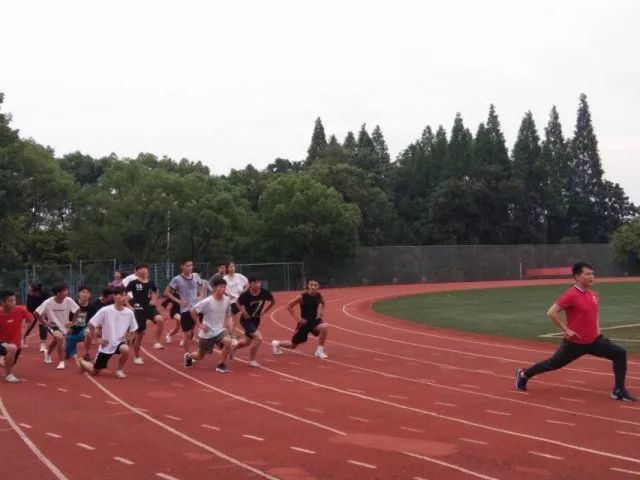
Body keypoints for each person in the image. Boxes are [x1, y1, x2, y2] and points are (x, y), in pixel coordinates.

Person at [516, 262, 636, 402]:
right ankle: (524, 374)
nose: (592, 277)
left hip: (594, 341)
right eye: (587, 274)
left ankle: (619, 390)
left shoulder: (593, 294)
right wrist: (565, 329)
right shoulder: (571, 295)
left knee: (620, 353)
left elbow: (594, 315)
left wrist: (598, 331)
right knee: (553, 364)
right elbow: (551, 312)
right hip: (575, 343)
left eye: (592, 274)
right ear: (577, 277)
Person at [78, 287, 137, 378]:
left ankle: (119, 370)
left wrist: (130, 337)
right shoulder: (105, 310)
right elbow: (91, 324)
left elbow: (133, 328)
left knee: (125, 349)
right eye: (121, 295)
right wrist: (97, 339)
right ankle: (82, 361)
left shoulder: (129, 312)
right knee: (94, 371)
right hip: (106, 343)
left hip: (120, 341)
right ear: (114, 296)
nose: (124, 297)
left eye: (125, 295)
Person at [184, 278, 234, 373]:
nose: (223, 289)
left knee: (228, 342)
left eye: (224, 287)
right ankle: (188, 356)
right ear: (214, 288)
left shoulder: (227, 300)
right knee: (200, 356)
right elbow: (192, 311)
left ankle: (221, 364)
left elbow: (227, 312)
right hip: (207, 332)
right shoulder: (207, 301)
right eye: (220, 287)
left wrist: (224, 324)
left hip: (220, 330)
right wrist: (199, 325)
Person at [272, 280, 328, 359]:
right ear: (308, 286)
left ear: (318, 286)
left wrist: (321, 312)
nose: (313, 287)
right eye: (311, 285)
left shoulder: (319, 296)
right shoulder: (302, 297)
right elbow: (289, 306)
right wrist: (298, 319)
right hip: (304, 323)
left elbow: (323, 303)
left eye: (315, 285)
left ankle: (319, 351)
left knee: (324, 327)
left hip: (315, 321)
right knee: (293, 345)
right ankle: (277, 344)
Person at [33, 283, 80, 370]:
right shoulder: (48, 302)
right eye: (64, 290)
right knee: (60, 338)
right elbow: (36, 313)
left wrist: (72, 322)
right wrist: (44, 322)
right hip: (53, 325)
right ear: (58, 293)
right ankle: (62, 362)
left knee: (56, 340)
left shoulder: (68, 300)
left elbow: (77, 310)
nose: (67, 292)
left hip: (64, 326)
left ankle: (47, 353)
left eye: (67, 290)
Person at [164, 259, 206, 355]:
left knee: (192, 331)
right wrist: (178, 301)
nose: (190, 267)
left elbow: (202, 284)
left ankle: (195, 352)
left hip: (196, 308)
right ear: (182, 266)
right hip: (185, 309)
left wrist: (201, 294)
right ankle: (187, 355)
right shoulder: (177, 279)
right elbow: (166, 292)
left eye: (191, 265)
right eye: (187, 266)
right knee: (187, 333)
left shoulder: (195, 276)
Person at [125, 263, 164, 365]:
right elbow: (124, 294)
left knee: (160, 319)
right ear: (136, 271)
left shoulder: (151, 282)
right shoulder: (133, 283)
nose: (143, 270)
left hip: (150, 308)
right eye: (141, 269)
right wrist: (129, 306)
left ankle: (156, 342)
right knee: (140, 335)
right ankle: (137, 356)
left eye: (145, 269)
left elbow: (156, 291)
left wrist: (153, 300)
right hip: (139, 309)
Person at [232, 276, 275, 368]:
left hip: (256, 319)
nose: (258, 284)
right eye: (255, 282)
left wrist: (265, 310)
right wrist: (243, 311)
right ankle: (252, 361)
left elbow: (273, 301)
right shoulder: (245, 294)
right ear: (250, 284)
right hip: (246, 320)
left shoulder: (265, 292)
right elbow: (237, 302)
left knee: (247, 342)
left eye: (259, 282)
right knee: (258, 338)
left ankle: (233, 348)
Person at [0, 290, 34, 383]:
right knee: (12, 348)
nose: (14, 302)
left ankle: (5, 366)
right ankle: (8, 375)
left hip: (16, 344)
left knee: (7, 364)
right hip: (2, 342)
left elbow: (31, 320)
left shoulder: (20, 310)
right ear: (3, 302)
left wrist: (24, 331)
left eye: (15, 300)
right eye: (11, 301)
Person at [83, 288, 113, 360]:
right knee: (88, 333)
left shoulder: (112, 302)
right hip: (96, 324)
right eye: (107, 298)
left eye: (110, 297)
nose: (108, 299)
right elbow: (90, 318)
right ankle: (86, 352)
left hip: (107, 325)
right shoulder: (94, 304)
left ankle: (102, 353)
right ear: (103, 296)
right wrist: (97, 325)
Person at [64, 285, 92, 361]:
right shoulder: (72, 304)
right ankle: (67, 348)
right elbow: (66, 319)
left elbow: (94, 320)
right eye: (83, 292)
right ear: (79, 293)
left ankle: (86, 353)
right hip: (72, 330)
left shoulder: (92, 306)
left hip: (83, 329)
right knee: (70, 355)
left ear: (90, 295)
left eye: (87, 293)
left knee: (88, 332)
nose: (85, 294)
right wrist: (69, 326)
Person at [223, 262, 248, 336]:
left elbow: (247, 283)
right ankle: (231, 336)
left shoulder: (239, 276)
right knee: (235, 320)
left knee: (234, 320)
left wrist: (244, 291)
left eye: (233, 266)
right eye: (230, 267)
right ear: (227, 268)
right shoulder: (225, 278)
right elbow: (223, 288)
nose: (232, 268)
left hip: (240, 300)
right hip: (231, 301)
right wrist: (227, 295)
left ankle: (230, 335)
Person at [23, 283, 50, 352]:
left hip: (42, 311)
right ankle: (24, 338)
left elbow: (48, 304)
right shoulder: (30, 296)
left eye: (30, 290)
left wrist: (42, 315)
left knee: (43, 324)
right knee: (29, 326)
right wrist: (32, 316)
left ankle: (43, 344)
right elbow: (29, 308)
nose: (29, 291)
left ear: (36, 291)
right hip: (32, 311)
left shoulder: (45, 294)